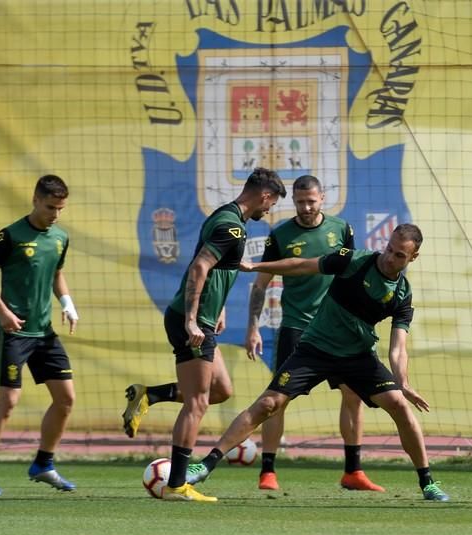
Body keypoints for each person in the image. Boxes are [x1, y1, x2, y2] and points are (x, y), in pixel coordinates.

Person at [189, 223, 449, 502]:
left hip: (358, 356)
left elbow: (398, 349)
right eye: (389, 249)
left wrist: (404, 382)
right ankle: (205, 465)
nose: (389, 257)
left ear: (413, 258)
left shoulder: (401, 295)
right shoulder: (354, 260)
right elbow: (301, 264)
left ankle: (428, 482)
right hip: (316, 349)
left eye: (399, 255)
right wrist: (257, 267)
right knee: (268, 404)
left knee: (399, 404)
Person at [124, 167, 286, 502]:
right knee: (197, 402)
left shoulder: (225, 216)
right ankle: (177, 485)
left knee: (221, 390)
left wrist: (218, 308)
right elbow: (199, 268)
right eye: (271, 204)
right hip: (193, 322)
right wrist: (193, 321)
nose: (268, 211)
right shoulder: (232, 227)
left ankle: (150, 395)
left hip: (205, 319)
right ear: (264, 195)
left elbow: (213, 268)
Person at [229, 174, 382, 492]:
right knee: (277, 401)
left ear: (323, 198)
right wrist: (253, 327)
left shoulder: (341, 229)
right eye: (300, 202)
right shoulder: (280, 234)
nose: (306, 207)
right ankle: (267, 471)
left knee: (353, 395)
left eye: (311, 201)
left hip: (339, 329)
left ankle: (353, 471)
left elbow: (351, 272)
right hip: (297, 327)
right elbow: (261, 283)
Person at [0, 175, 79, 495]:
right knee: (8, 402)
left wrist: (68, 303)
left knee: (66, 399)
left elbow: (57, 273)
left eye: (60, 208)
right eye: (50, 207)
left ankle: (43, 463)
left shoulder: (60, 237)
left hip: (44, 333)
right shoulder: (10, 236)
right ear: (34, 199)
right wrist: (3, 311)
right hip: (14, 332)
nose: (55, 214)